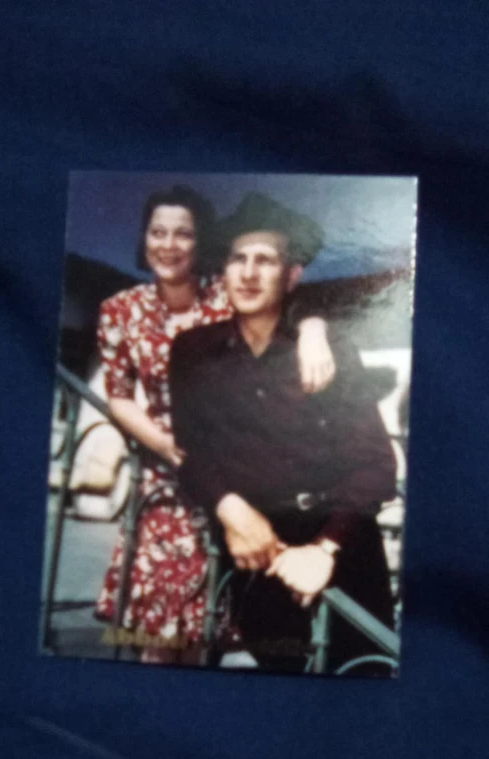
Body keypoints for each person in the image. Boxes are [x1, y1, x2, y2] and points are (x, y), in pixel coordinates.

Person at [95, 185, 336, 663]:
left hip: (232, 476)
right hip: (165, 479)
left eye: (183, 234)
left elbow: (290, 302)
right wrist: (166, 445)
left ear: (200, 241)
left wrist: (314, 330)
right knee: (158, 638)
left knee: (211, 631)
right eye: (158, 232)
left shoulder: (226, 295)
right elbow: (119, 397)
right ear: (144, 238)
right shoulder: (119, 311)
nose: (168, 245)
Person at [169, 193, 397, 671]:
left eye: (266, 260)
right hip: (256, 552)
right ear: (223, 270)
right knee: (282, 674)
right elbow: (192, 451)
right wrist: (231, 510)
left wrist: (325, 549)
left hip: (342, 542)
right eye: (239, 259)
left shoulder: (330, 351)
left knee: (364, 675)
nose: (249, 273)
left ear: (292, 276)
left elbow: (377, 462)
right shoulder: (193, 351)